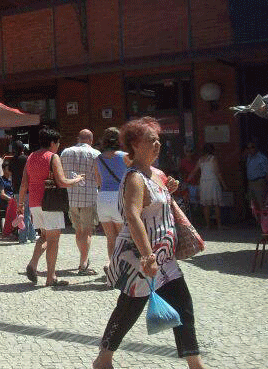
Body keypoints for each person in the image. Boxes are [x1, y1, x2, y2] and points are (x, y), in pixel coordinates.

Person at [95, 117, 205, 369]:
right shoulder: (134, 177)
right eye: (150, 140)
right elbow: (133, 215)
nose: (157, 144)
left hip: (163, 255)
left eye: (158, 140)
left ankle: (195, 363)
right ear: (134, 144)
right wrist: (147, 256)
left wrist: (170, 189)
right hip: (140, 254)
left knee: (183, 306)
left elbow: (156, 202)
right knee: (128, 309)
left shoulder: (156, 174)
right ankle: (103, 359)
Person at [18, 127, 84, 288]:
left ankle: (33, 264)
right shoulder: (53, 157)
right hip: (50, 203)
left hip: (34, 203)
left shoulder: (31, 157)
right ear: (52, 142)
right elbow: (61, 182)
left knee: (44, 236)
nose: (58, 146)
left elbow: (23, 184)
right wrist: (77, 180)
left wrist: (20, 205)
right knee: (53, 240)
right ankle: (50, 277)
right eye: (58, 143)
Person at [60, 129, 101, 275]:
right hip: (89, 197)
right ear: (91, 139)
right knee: (87, 231)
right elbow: (98, 178)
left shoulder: (65, 152)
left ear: (78, 138)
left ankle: (82, 258)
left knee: (78, 230)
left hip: (71, 196)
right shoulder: (96, 154)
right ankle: (83, 263)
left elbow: (62, 174)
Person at [94, 127, 128, 261]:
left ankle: (112, 266)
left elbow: (98, 181)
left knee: (110, 238)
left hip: (103, 197)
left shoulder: (98, 159)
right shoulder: (125, 157)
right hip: (119, 197)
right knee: (122, 237)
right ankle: (121, 269)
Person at [187, 144, 227, 229]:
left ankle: (207, 225)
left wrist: (187, 180)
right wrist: (223, 184)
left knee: (206, 205)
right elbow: (217, 172)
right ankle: (219, 225)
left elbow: (194, 171)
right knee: (216, 205)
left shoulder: (201, 160)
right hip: (213, 181)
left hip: (203, 183)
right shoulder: (213, 159)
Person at [10, 140, 35, 244]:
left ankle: (31, 235)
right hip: (26, 189)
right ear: (22, 149)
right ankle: (24, 237)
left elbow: (11, 174)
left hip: (16, 189)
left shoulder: (12, 161)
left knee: (22, 213)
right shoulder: (26, 159)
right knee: (26, 214)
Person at [245, 141, 268, 210]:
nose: (250, 149)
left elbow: (267, 172)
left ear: (256, 148)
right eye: (248, 148)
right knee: (252, 204)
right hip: (250, 183)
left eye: (252, 147)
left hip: (259, 182)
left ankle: (263, 220)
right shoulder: (248, 157)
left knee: (261, 203)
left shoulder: (262, 158)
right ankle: (256, 219)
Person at [0, 162, 15, 235]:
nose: (10, 171)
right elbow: (2, 195)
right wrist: (11, 199)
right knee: (15, 208)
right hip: (4, 203)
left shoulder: (11, 180)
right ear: (3, 170)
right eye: (8, 169)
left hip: (12, 201)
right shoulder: (1, 180)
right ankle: (12, 229)